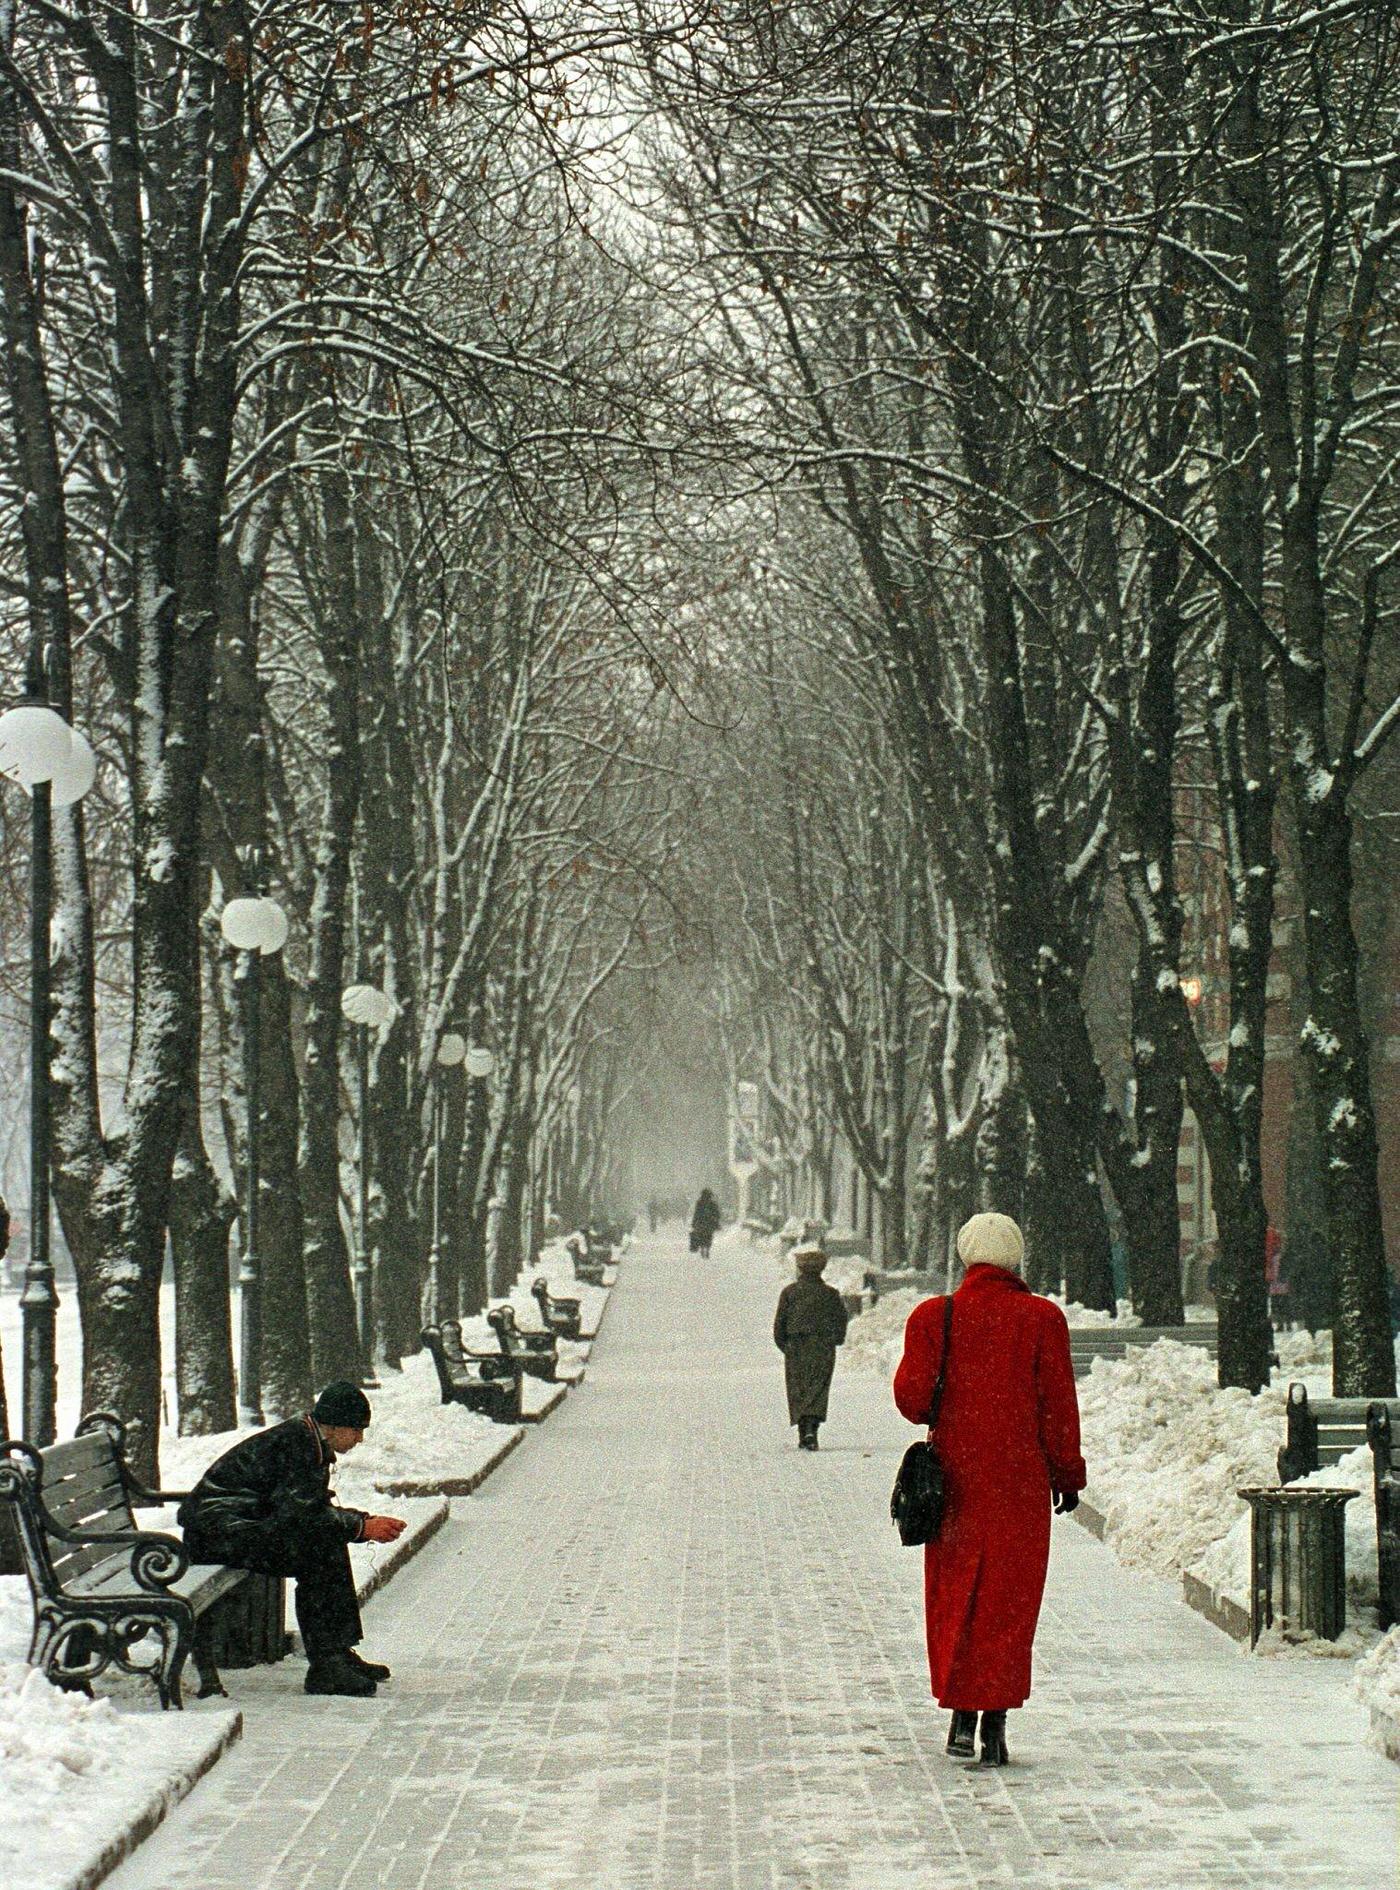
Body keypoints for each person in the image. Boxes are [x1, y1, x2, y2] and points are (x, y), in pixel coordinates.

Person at [893, 1211, 1085, 1767]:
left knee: (957, 1597)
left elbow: (911, 1401)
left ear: (965, 1255)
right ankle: (995, 1726)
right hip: (1020, 1487)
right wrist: (1067, 1474)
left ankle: (961, 1718)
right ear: (1016, 1258)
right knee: (1008, 1602)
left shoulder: (936, 1317)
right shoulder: (1043, 1319)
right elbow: (1059, 1409)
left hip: (954, 1482)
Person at [178, 1381, 405, 1698]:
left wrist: (361, 1522)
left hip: (242, 1526)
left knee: (324, 1545)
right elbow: (301, 1517)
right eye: (356, 1429)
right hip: (219, 1535)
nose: (359, 1438)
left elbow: (307, 1509)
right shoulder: (297, 1444)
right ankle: (327, 1664)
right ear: (335, 1424)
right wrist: (360, 1528)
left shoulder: (309, 1439)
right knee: (318, 1552)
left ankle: (335, 1654)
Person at [773, 1240, 849, 1449]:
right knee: (818, 1387)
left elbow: (780, 1324)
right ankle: (811, 1430)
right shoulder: (831, 1294)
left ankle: (802, 1429)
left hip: (796, 1345)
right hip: (823, 1346)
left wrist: (785, 1346)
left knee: (798, 1388)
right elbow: (841, 1320)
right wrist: (835, 1340)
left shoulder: (789, 1293)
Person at [689, 1187, 721, 1257]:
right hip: (710, 1223)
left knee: (701, 1236)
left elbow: (696, 1213)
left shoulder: (699, 1203)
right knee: (709, 1237)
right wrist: (716, 1222)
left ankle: (703, 1248)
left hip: (701, 1223)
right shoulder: (713, 1203)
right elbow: (717, 1214)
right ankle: (707, 1249)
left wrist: (694, 1223)